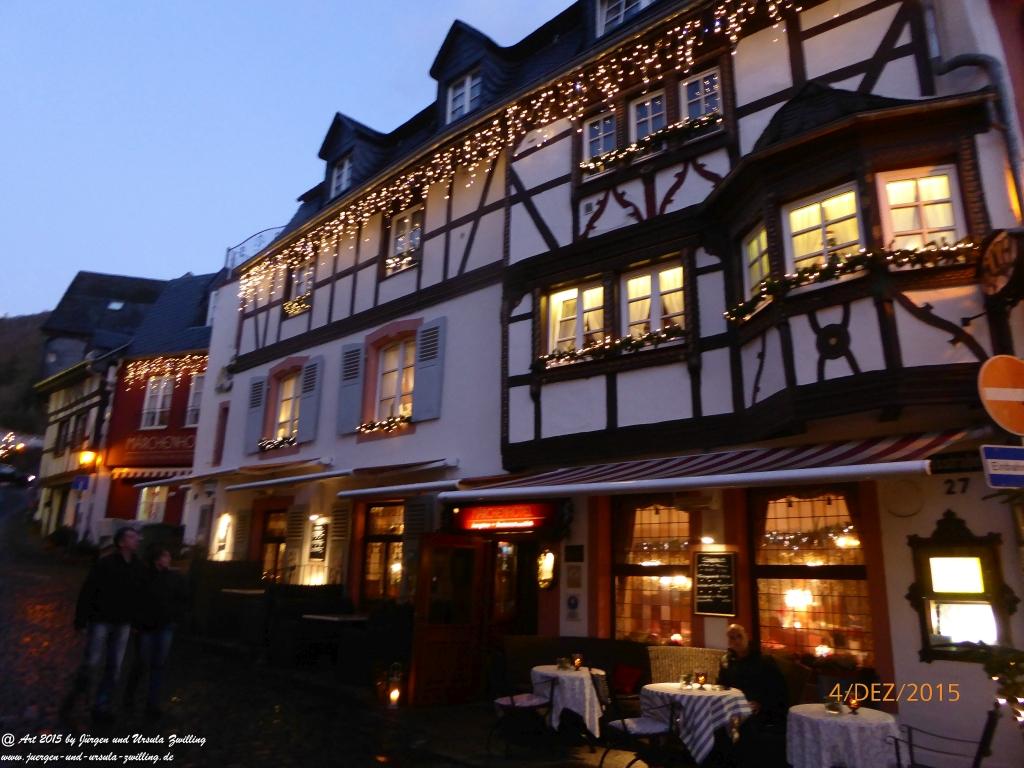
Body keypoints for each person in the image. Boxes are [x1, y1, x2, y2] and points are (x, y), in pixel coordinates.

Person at [61, 526, 144, 723]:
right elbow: (89, 590)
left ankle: (101, 704)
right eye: (132, 537)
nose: (137, 540)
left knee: (114, 666)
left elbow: (140, 596)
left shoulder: (138, 567)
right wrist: (81, 619)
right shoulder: (106, 564)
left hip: (123, 622)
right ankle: (79, 690)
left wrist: (137, 620)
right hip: (101, 619)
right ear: (121, 542)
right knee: (92, 662)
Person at [124, 545, 188, 718]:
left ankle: (152, 703)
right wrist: (136, 623)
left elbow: (182, 598)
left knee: (158, 665)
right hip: (146, 627)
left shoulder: (174, 578)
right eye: (165, 556)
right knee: (142, 662)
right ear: (157, 559)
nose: (169, 559)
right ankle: (129, 695)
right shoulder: (144, 577)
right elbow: (137, 600)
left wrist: (175, 617)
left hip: (165, 625)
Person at [716, 624, 789, 768]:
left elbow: (779, 690)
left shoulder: (764, 661)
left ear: (747, 637)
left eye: (739, 636)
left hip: (762, 710)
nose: (736, 641)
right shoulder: (727, 662)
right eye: (732, 638)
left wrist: (760, 703)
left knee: (742, 728)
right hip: (734, 706)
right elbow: (721, 686)